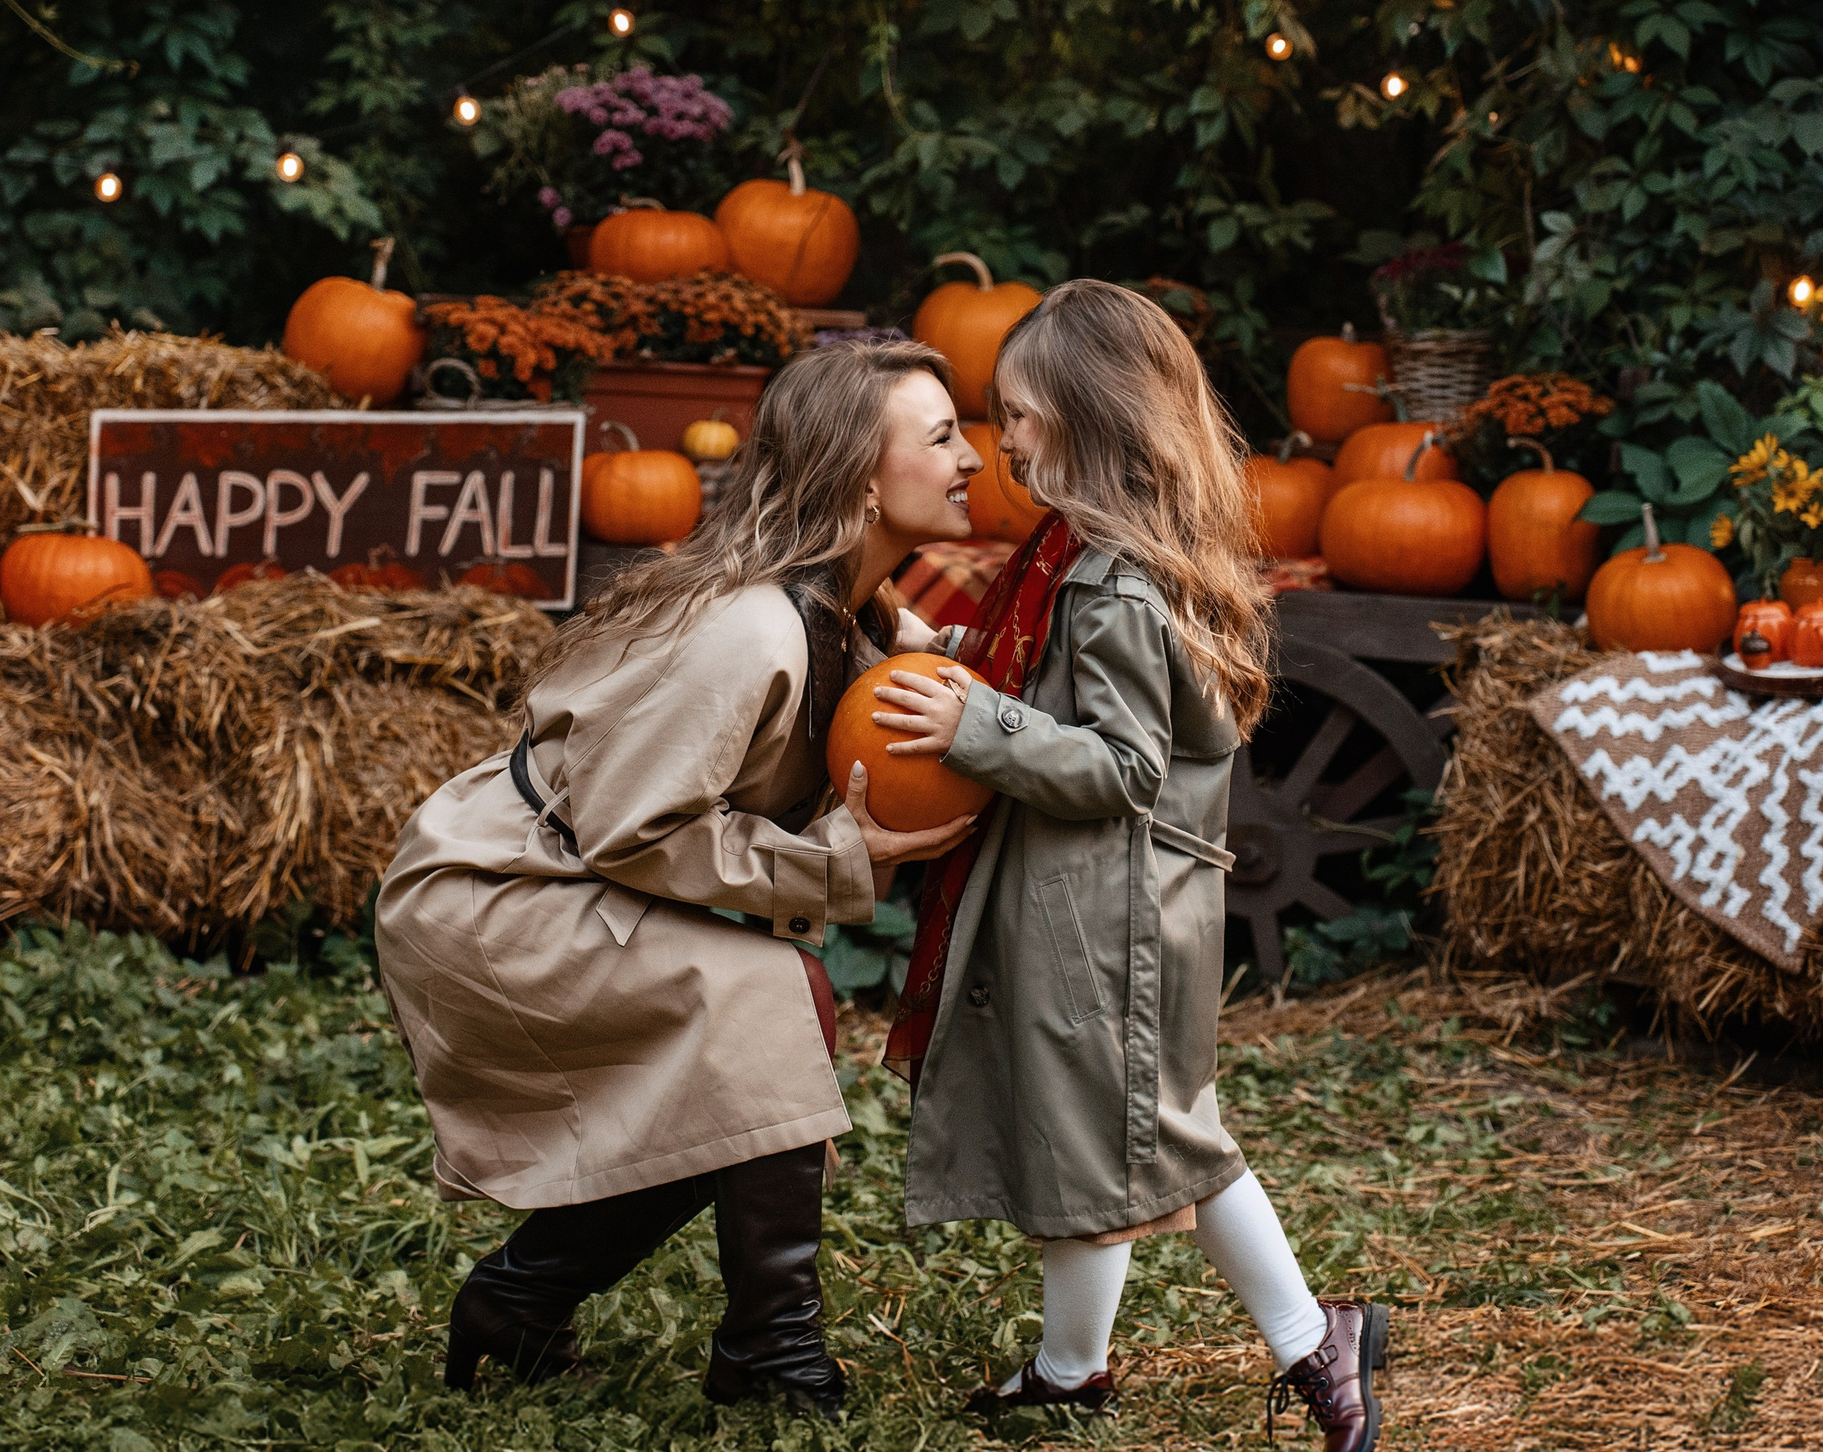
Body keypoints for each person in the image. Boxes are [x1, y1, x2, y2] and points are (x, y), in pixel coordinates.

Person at [376, 339, 981, 1418]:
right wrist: (834, 863)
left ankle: (523, 1300)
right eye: (941, 437)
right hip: (503, 891)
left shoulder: (866, 617)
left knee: (745, 1054)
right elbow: (629, 829)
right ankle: (769, 1354)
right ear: (856, 471)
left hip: (580, 877)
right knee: (761, 1008)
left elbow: (960, 694)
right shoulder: (751, 630)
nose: (971, 457)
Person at [865, 281, 1395, 1452]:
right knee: (1095, 1138)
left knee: (1156, 1144)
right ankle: (1075, 1366)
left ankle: (1312, 1341)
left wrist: (968, 729)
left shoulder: (1105, 579)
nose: (1003, 440)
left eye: (1020, 412)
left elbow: (1117, 766)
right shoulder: (1101, 553)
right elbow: (1045, 685)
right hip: (1115, 905)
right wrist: (946, 655)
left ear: (1092, 417)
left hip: (1103, 914)